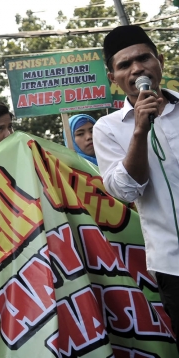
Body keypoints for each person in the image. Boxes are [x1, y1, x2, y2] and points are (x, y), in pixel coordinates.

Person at [93, 25, 179, 347]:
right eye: (124, 65)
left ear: (159, 60)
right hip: (174, 265)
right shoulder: (108, 128)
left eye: (143, 58)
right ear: (113, 77)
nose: (136, 69)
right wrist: (140, 131)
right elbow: (126, 190)